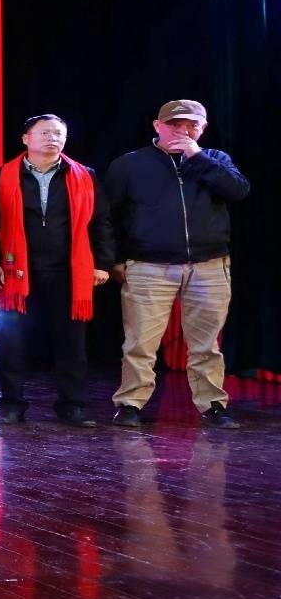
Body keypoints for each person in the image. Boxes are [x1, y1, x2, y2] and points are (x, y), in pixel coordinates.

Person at [105, 100, 250, 429]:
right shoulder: (129, 164)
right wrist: (113, 260)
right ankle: (130, 404)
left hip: (209, 264)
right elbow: (109, 216)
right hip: (149, 265)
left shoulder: (215, 159)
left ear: (203, 128)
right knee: (140, 343)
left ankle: (213, 405)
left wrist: (197, 158)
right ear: (158, 126)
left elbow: (238, 191)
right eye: (175, 124)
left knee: (207, 344)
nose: (183, 131)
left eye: (192, 125)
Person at [0, 115, 116, 428]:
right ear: (26, 138)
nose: (52, 138)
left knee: (71, 344)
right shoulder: (2, 176)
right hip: (16, 272)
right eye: (44, 133)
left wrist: (103, 263)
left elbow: (101, 222)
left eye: (58, 133)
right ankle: (12, 405)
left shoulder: (84, 175)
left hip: (69, 271)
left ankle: (72, 405)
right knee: (13, 342)